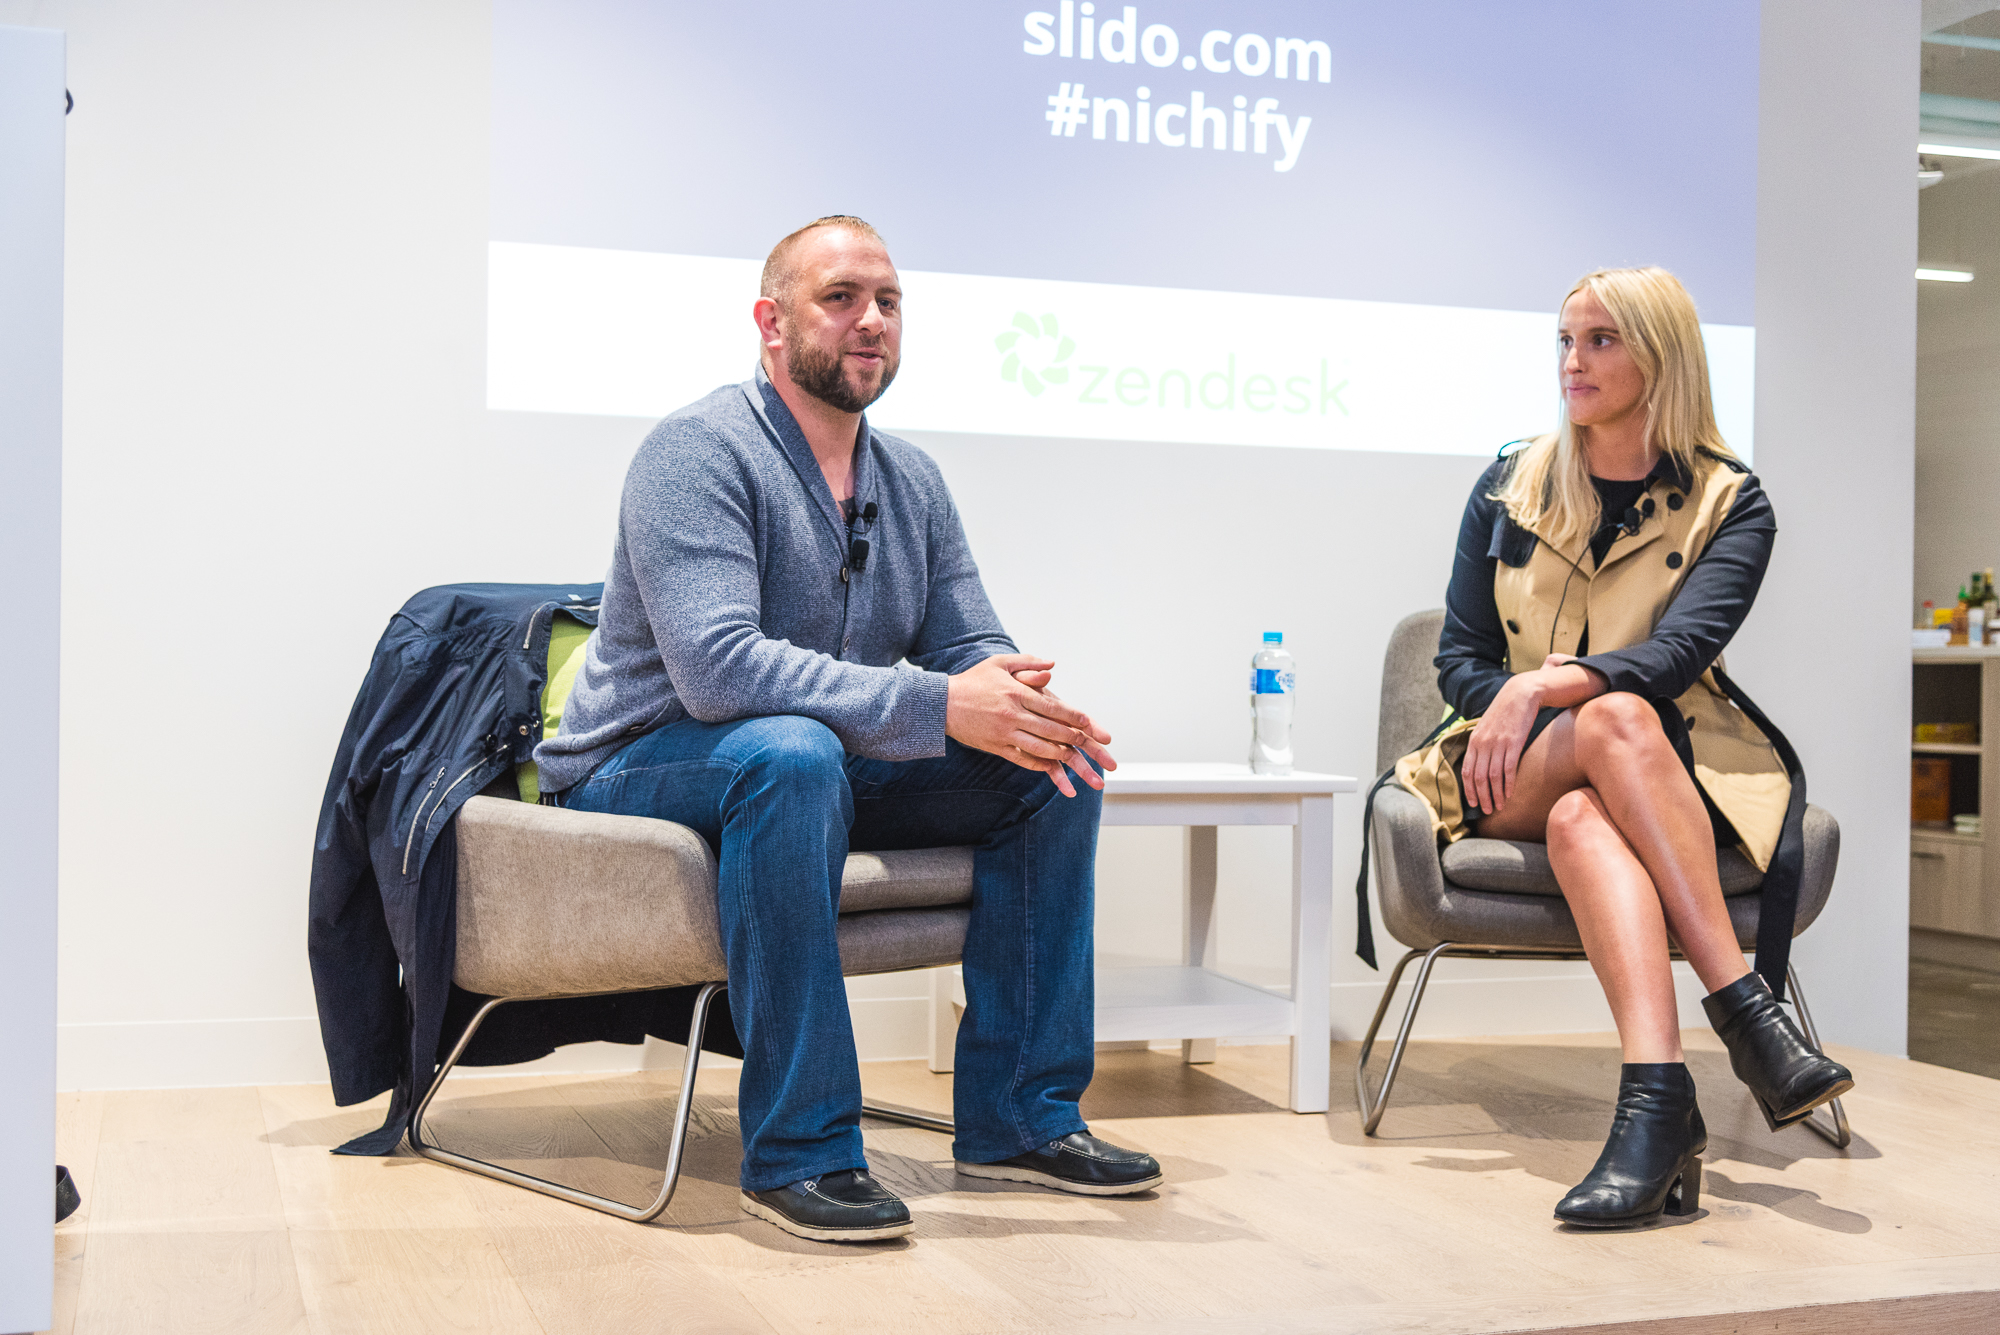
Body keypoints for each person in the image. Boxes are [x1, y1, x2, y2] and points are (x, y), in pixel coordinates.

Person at [533, 215, 1162, 1243]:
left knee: (1055, 768)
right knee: (790, 750)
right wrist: (934, 703)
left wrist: (1010, 696)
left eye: (888, 301)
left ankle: (1019, 1118)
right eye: (840, 299)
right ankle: (800, 1153)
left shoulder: (908, 477)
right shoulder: (693, 451)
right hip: (641, 759)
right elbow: (717, 668)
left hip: (810, 757)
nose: (870, 320)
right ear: (769, 324)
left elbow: (967, 633)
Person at [1393, 267, 1852, 1229]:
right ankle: (1746, 1013)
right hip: (1497, 765)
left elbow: (1682, 652)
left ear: (1662, 353)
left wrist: (1550, 684)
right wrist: (1515, 704)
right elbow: (1459, 657)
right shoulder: (1509, 481)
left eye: (1601, 340)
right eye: (1565, 339)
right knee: (1605, 724)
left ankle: (1656, 1107)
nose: (1573, 361)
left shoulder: (1733, 501)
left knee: (1587, 795)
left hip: (1656, 760)